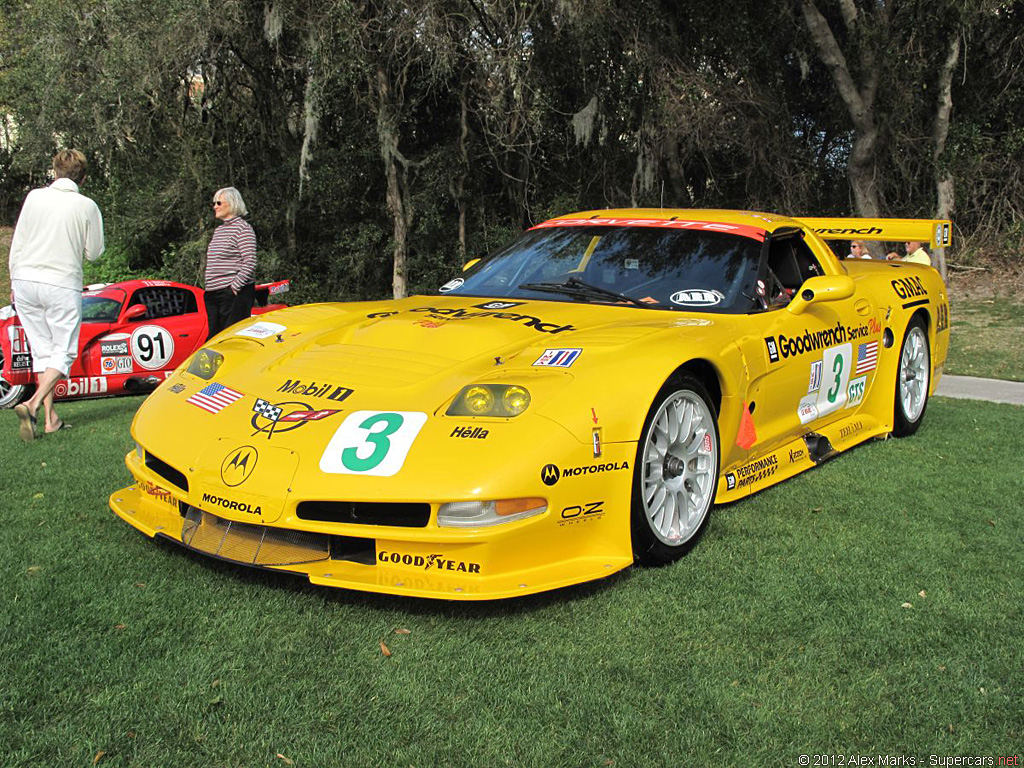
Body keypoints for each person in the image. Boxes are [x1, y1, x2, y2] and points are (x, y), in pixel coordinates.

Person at [9, 149, 104, 441]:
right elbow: (95, 253)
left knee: (42, 351)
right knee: (63, 352)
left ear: (55, 171)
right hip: (60, 282)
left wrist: (14, 280)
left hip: (25, 279)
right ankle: (33, 404)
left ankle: (51, 420)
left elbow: (19, 240)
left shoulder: (34, 197)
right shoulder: (87, 206)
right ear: (83, 177)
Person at [204, 186, 257, 339]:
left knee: (231, 339)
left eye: (219, 203)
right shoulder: (219, 230)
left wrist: (233, 288)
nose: (215, 206)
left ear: (232, 203)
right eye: (214, 203)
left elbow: (250, 261)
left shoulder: (243, 229)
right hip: (213, 294)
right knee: (214, 339)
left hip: (232, 294)